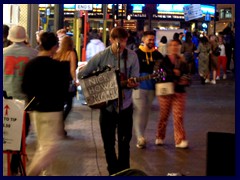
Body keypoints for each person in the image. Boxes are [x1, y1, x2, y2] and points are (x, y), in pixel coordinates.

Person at [78, 27, 139, 175]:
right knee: (108, 143)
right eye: (118, 41)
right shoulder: (101, 56)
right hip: (107, 107)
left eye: (124, 41)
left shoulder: (132, 56)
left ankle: (124, 172)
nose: (121, 45)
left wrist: (133, 83)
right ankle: (113, 171)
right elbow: (82, 74)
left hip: (125, 106)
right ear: (111, 40)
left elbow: (136, 80)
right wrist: (99, 81)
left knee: (125, 143)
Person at [22, 32, 69, 176]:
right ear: (55, 47)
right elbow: (64, 89)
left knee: (43, 144)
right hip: (52, 110)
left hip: (35, 110)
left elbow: (25, 88)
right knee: (50, 146)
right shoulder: (58, 66)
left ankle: (46, 174)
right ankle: (32, 173)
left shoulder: (30, 64)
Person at [3, 25, 38, 175]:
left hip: (6, 99)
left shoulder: (3, 53)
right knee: (21, 133)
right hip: (25, 101)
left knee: (7, 131)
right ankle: (15, 162)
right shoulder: (34, 54)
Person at [155, 39, 190, 148]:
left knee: (178, 116)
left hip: (179, 91)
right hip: (165, 91)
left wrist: (185, 80)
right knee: (164, 115)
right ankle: (160, 136)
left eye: (177, 45)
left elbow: (187, 75)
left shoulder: (183, 61)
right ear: (169, 47)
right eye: (172, 45)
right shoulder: (162, 61)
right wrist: (172, 74)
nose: (175, 47)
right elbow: (158, 75)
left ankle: (180, 140)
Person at [133, 31, 164, 149]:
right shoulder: (136, 54)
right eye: (149, 39)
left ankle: (141, 134)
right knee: (140, 110)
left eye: (153, 39)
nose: (151, 41)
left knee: (145, 112)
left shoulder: (157, 55)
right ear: (143, 39)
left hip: (152, 88)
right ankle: (140, 137)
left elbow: (162, 69)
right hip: (138, 87)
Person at [53, 35, 78, 134]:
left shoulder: (57, 54)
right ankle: (60, 124)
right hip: (66, 82)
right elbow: (72, 69)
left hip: (57, 82)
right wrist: (75, 80)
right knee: (69, 104)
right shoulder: (71, 53)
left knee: (59, 105)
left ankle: (58, 126)